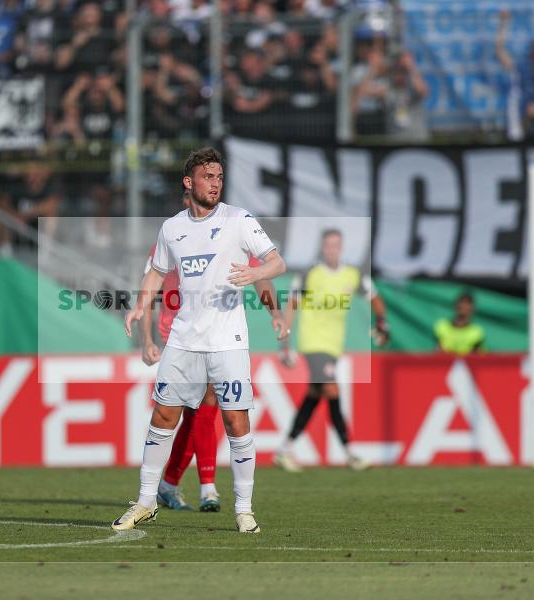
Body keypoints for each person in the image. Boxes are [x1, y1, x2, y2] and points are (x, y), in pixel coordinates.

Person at [113, 147, 286, 534]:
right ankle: (145, 502)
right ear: (189, 182)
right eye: (208, 177)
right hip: (183, 340)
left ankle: (244, 509)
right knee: (162, 417)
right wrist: (139, 307)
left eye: (220, 177)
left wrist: (256, 275)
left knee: (235, 421)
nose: (216, 184)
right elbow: (156, 273)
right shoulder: (172, 228)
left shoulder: (239, 220)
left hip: (228, 341)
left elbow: (276, 262)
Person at [141, 191, 288, 513]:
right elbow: (148, 287)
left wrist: (274, 313)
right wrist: (146, 338)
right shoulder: (171, 235)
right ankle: (198, 486)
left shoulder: (226, 234)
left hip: (215, 334)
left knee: (197, 412)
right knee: (190, 412)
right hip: (178, 333)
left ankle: (178, 485)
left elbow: (258, 274)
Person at [274, 228, 389, 473]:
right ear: (322, 248)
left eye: (336, 245)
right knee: (331, 387)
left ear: (341, 247)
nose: (332, 249)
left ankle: (284, 449)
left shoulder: (352, 274)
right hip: (313, 342)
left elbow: (375, 298)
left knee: (315, 394)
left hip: (334, 344)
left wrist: (382, 322)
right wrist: (285, 343)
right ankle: (349, 452)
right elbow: (292, 306)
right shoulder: (310, 274)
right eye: (328, 245)